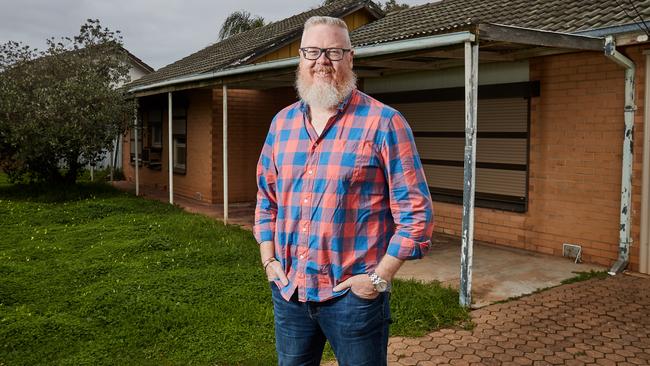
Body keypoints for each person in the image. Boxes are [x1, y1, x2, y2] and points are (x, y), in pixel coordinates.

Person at [254, 15, 434, 366]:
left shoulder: (384, 122)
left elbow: (416, 214)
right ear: (301, 60)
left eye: (334, 52)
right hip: (290, 293)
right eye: (312, 51)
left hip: (354, 300)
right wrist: (268, 259)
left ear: (350, 58)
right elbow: (266, 197)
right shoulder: (282, 123)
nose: (322, 61)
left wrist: (378, 279)